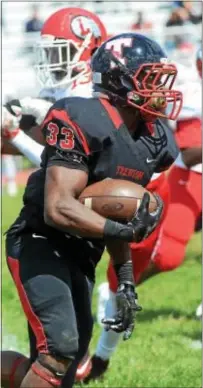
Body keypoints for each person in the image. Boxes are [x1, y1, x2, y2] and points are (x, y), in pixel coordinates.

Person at [4, 32, 182, 388]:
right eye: (151, 79)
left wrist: (126, 281)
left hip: (83, 252)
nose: (161, 91)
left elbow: (117, 213)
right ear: (121, 81)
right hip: (41, 240)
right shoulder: (82, 116)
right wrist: (121, 232)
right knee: (59, 349)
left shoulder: (153, 138)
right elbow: (58, 207)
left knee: (66, 367)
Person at [1, 6, 108, 388]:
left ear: (89, 48)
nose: (51, 60)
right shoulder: (63, 95)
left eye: (59, 49)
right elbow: (56, 162)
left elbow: (72, 158)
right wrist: (13, 131)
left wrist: (18, 133)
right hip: (43, 230)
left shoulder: (95, 97)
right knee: (58, 350)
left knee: (68, 349)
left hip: (82, 235)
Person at [85, 47, 201, 382]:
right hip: (190, 177)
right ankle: (117, 285)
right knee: (168, 256)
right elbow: (190, 154)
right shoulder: (190, 94)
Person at [2, 6, 107, 162]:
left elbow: (62, 165)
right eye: (49, 52)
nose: (52, 59)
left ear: (87, 50)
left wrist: (15, 135)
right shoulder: (60, 88)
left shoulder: (91, 91)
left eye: (58, 52)